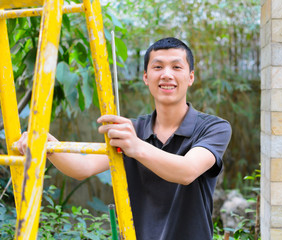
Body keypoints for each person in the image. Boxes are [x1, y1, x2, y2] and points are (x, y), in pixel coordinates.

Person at [17, 37, 232, 240]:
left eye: (176, 67)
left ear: (191, 77)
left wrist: (135, 146)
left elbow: (187, 171)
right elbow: (82, 167)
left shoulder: (214, 127)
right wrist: (48, 144)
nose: (167, 74)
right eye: (158, 67)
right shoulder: (132, 130)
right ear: (146, 77)